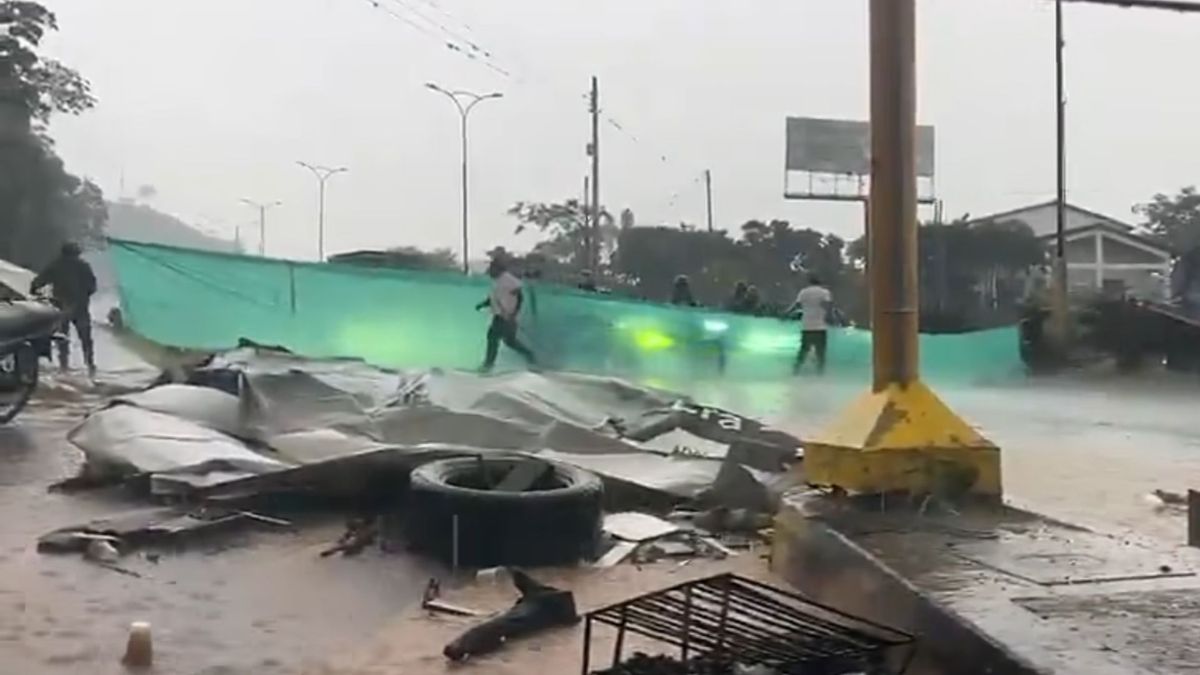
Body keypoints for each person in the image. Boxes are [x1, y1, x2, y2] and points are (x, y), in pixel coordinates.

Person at [31, 242, 97, 376]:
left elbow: (38, 282)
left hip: (61, 307)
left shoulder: (56, 265)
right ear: (77, 253)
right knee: (85, 339)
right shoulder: (83, 266)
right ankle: (90, 365)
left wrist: (33, 292)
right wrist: (83, 295)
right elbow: (92, 287)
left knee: (62, 338)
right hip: (80, 307)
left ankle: (64, 367)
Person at [475, 258, 536, 372]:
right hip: (501, 316)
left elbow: (520, 297)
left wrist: (514, 314)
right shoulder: (498, 281)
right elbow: (494, 297)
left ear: (498, 269)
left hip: (506, 316)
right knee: (509, 342)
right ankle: (529, 356)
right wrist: (483, 304)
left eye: (492, 268)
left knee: (493, 337)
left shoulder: (508, 280)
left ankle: (488, 365)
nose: (490, 271)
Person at [785, 273, 833, 374]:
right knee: (820, 353)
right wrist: (830, 317)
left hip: (806, 326)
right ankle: (820, 373)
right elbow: (827, 306)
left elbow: (796, 305)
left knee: (803, 351)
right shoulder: (824, 292)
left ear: (809, 282)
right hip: (820, 327)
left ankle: (796, 371)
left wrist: (786, 313)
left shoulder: (803, 292)